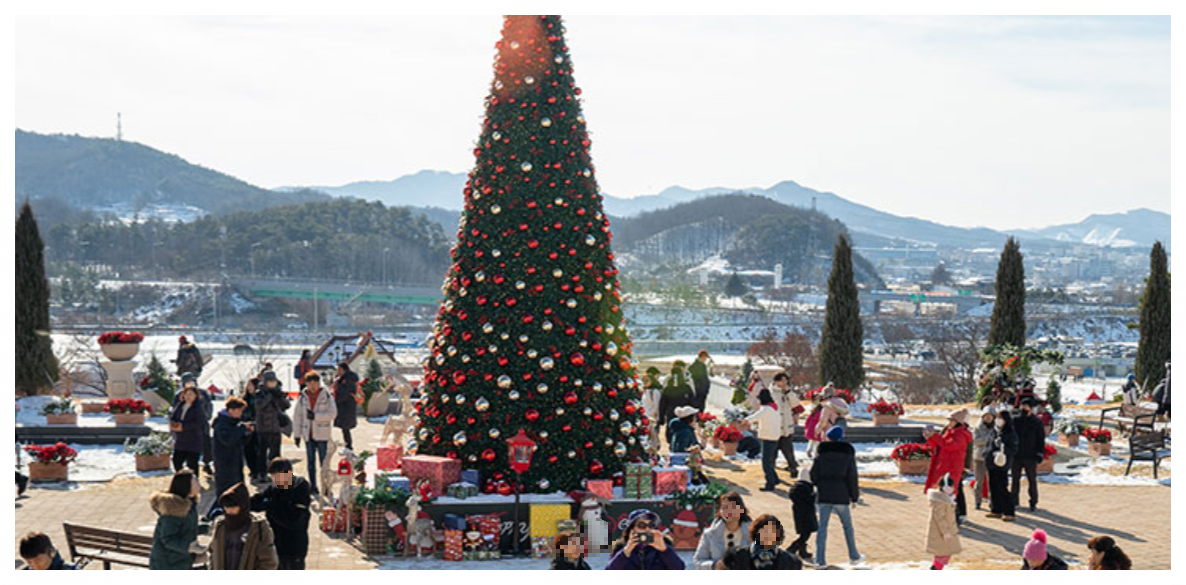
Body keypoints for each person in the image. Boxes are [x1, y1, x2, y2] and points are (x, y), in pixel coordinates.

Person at [811, 425, 864, 567]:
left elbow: (813, 475)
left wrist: (820, 485)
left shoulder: (821, 454)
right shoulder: (848, 455)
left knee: (822, 528)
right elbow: (852, 477)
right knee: (847, 527)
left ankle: (820, 559)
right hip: (842, 494)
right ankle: (854, 556)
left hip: (824, 494)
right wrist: (854, 496)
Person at [250, 458, 311, 570]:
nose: (276, 481)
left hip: (294, 547)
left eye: (278, 478)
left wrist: (270, 507)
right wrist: (241, 503)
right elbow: (258, 500)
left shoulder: (300, 488)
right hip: (276, 546)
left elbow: (295, 521)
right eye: (273, 478)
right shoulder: (275, 488)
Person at [208, 483, 279, 570]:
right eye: (226, 507)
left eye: (233, 507)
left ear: (243, 506)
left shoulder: (258, 527)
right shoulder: (220, 526)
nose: (229, 510)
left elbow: (269, 561)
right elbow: (212, 554)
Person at [924, 408, 972, 521]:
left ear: (958, 422)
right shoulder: (950, 431)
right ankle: (947, 515)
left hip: (953, 467)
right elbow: (939, 445)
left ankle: (954, 516)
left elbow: (948, 445)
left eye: (952, 421)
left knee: (951, 492)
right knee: (946, 491)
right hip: (945, 465)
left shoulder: (961, 434)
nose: (949, 423)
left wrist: (934, 436)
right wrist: (930, 438)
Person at [293, 371, 337, 495]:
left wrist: (316, 416)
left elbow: (333, 414)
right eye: (310, 383)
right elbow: (297, 417)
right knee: (310, 463)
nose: (313, 386)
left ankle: (326, 486)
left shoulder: (326, 395)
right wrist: (297, 435)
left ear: (319, 383)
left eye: (315, 383)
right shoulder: (303, 397)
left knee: (324, 463)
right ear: (306, 384)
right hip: (308, 434)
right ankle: (313, 486)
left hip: (322, 434)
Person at [149, 470, 202, 570]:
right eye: (196, 482)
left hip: (182, 560)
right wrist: (189, 547)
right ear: (187, 486)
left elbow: (186, 528)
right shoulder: (172, 510)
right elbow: (168, 539)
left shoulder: (190, 504)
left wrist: (206, 528)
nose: (199, 484)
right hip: (167, 563)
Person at [606, 509, 685, 570]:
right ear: (631, 529)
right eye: (642, 525)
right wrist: (626, 551)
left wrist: (664, 550)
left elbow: (679, 569)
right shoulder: (621, 546)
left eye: (651, 525)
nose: (647, 529)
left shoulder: (664, 544)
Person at [693, 491, 752, 570]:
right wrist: (714, 565)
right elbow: (698, 561)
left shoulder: (754, 533)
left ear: (742, 509)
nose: (728, 511)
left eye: (732, 507)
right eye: (724, 508)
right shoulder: (710, 534)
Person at [723, 514, 801, 570]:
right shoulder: (735, 556)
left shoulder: (791, 562)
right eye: (765, 531)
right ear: (756, 532)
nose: (768, 535)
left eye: (773, 532)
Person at [212, 396, 254, 496]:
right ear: (231, 410)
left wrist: (248, 433)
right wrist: (242, 428)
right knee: (226, 490)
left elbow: (241, 442)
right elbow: (228, 440)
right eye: (239, 411)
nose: (240, 414)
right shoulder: (221, 424)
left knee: (237, 488)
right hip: (225, 462)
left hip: (235, 460)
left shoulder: (234, 423)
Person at [253, 371, 290, 480]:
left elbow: (286, 406)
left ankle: (277, 474)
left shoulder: (278, 392)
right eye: (270, 382)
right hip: (262, 428)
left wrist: (280, 397)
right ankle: (262, 473)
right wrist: (269, 396)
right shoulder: (259, 393)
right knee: (262, 453)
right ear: (265, 382)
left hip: (276, 427)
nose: (272, 384)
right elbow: (259, 406)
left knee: (276, 453)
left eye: (273, 381)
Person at [1011, 398, 1047, 512]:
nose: (1023, 409)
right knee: (1015, 480)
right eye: (1021, 407)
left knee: (1032, 480)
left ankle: (1033, 502)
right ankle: (1014, 501)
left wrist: (1040, 453)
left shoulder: (1037, 422)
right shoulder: (1015, 420)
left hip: (1030, 456)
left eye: (1025, 407)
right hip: (1016, 455)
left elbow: (1040, 439)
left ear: (1031, 409)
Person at [984, 410, 1019, 521]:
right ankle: (996, 509)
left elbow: (1014, 449)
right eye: (997, 418)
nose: (998, 420)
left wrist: (1003, 447)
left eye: (1001, 418)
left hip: (1002, 463)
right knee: (993, 486)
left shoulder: (1010, 433)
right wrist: (987, 453)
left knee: (1002, 487)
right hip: (991, 462)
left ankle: (1009, 511)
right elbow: (988, 444)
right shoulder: (993, 431)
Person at [746, 389, 782, 492]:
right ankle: (775, 479)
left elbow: (755, 417)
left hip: (768, 437)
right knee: (769, 460)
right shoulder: (774, 407)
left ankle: (770, 484)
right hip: (775, 436)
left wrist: (745, 420)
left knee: (766, 462)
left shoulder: (766, 409)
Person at [925, 473, 962, 570]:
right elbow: (940, 518)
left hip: (946, 530)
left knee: (942, 553)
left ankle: (936, 568)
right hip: (941, 532)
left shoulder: (947, 498)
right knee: (942, 554)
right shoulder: (940, 501)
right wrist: (945, 532)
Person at [170, 385, 206, 474]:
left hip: (193, 440)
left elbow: (199, 423)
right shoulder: (180, 405)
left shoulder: (198, 407)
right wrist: (174, 424)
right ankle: (182, 478)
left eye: (191, 394)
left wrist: (183, 426)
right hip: (180, 439)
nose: (188, 396)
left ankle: (194, 480)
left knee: (192, 464)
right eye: (186, 394)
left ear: (196, 396)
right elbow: (173, 416)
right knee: (176, 461)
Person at [771, 372, 801, 475]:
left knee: (788, 450)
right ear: (776, 381)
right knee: (773, 452)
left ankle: (793, 468)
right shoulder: (771, 392)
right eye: (782, 380)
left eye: (786, 380)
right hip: (775, 426)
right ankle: (772, 472)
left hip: (786, 425)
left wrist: (789, 392)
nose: (784, 382)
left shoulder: (788, 392)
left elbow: (796, 404)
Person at [659, 362, 696, 445]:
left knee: (672, 433)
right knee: (684, 433)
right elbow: (692, 402)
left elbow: (662, 404)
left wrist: (661, 417)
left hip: (671, 413)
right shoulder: (686, 387)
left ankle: (673, 446)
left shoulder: (668, 389)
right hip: (685, 414)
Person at [787, 466, 817, 562]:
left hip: (800, 513)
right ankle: (793, 548)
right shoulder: (805, 488)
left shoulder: (797, 486)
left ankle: (802, 551)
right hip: (806, 514)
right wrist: (814, 496)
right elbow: (809, 500)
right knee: (805, 534)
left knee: (804, 533)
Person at [971, 408, 996, 511]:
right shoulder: (978, 427)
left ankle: (992, 502)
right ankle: (977, 501)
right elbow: (976, 441)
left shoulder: (996, 427)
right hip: (979, 457)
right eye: (986, 416)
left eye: (990, 416)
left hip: (992, 457)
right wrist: (988, 439)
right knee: (979, 481)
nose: (988, 418)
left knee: (992, 482)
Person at [332, 361, 359, 451]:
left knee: (345, 427)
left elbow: (346, 392)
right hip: (345, 405)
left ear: (344, 370)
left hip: (346, 405)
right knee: (345, 427)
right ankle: (348, 445)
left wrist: (337, 400)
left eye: (339, 369)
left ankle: (349, 446)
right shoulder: (343, 378)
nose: (338, 371)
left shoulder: (348, 379)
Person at [640, 367, 664, 446]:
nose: (645, 382)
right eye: (644, 381)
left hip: (652, 419)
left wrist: (650, 415)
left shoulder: (655, 391)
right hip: (645, 418)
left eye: (647, 380)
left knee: (653, 438)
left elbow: (657, 406)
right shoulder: (644, 391)